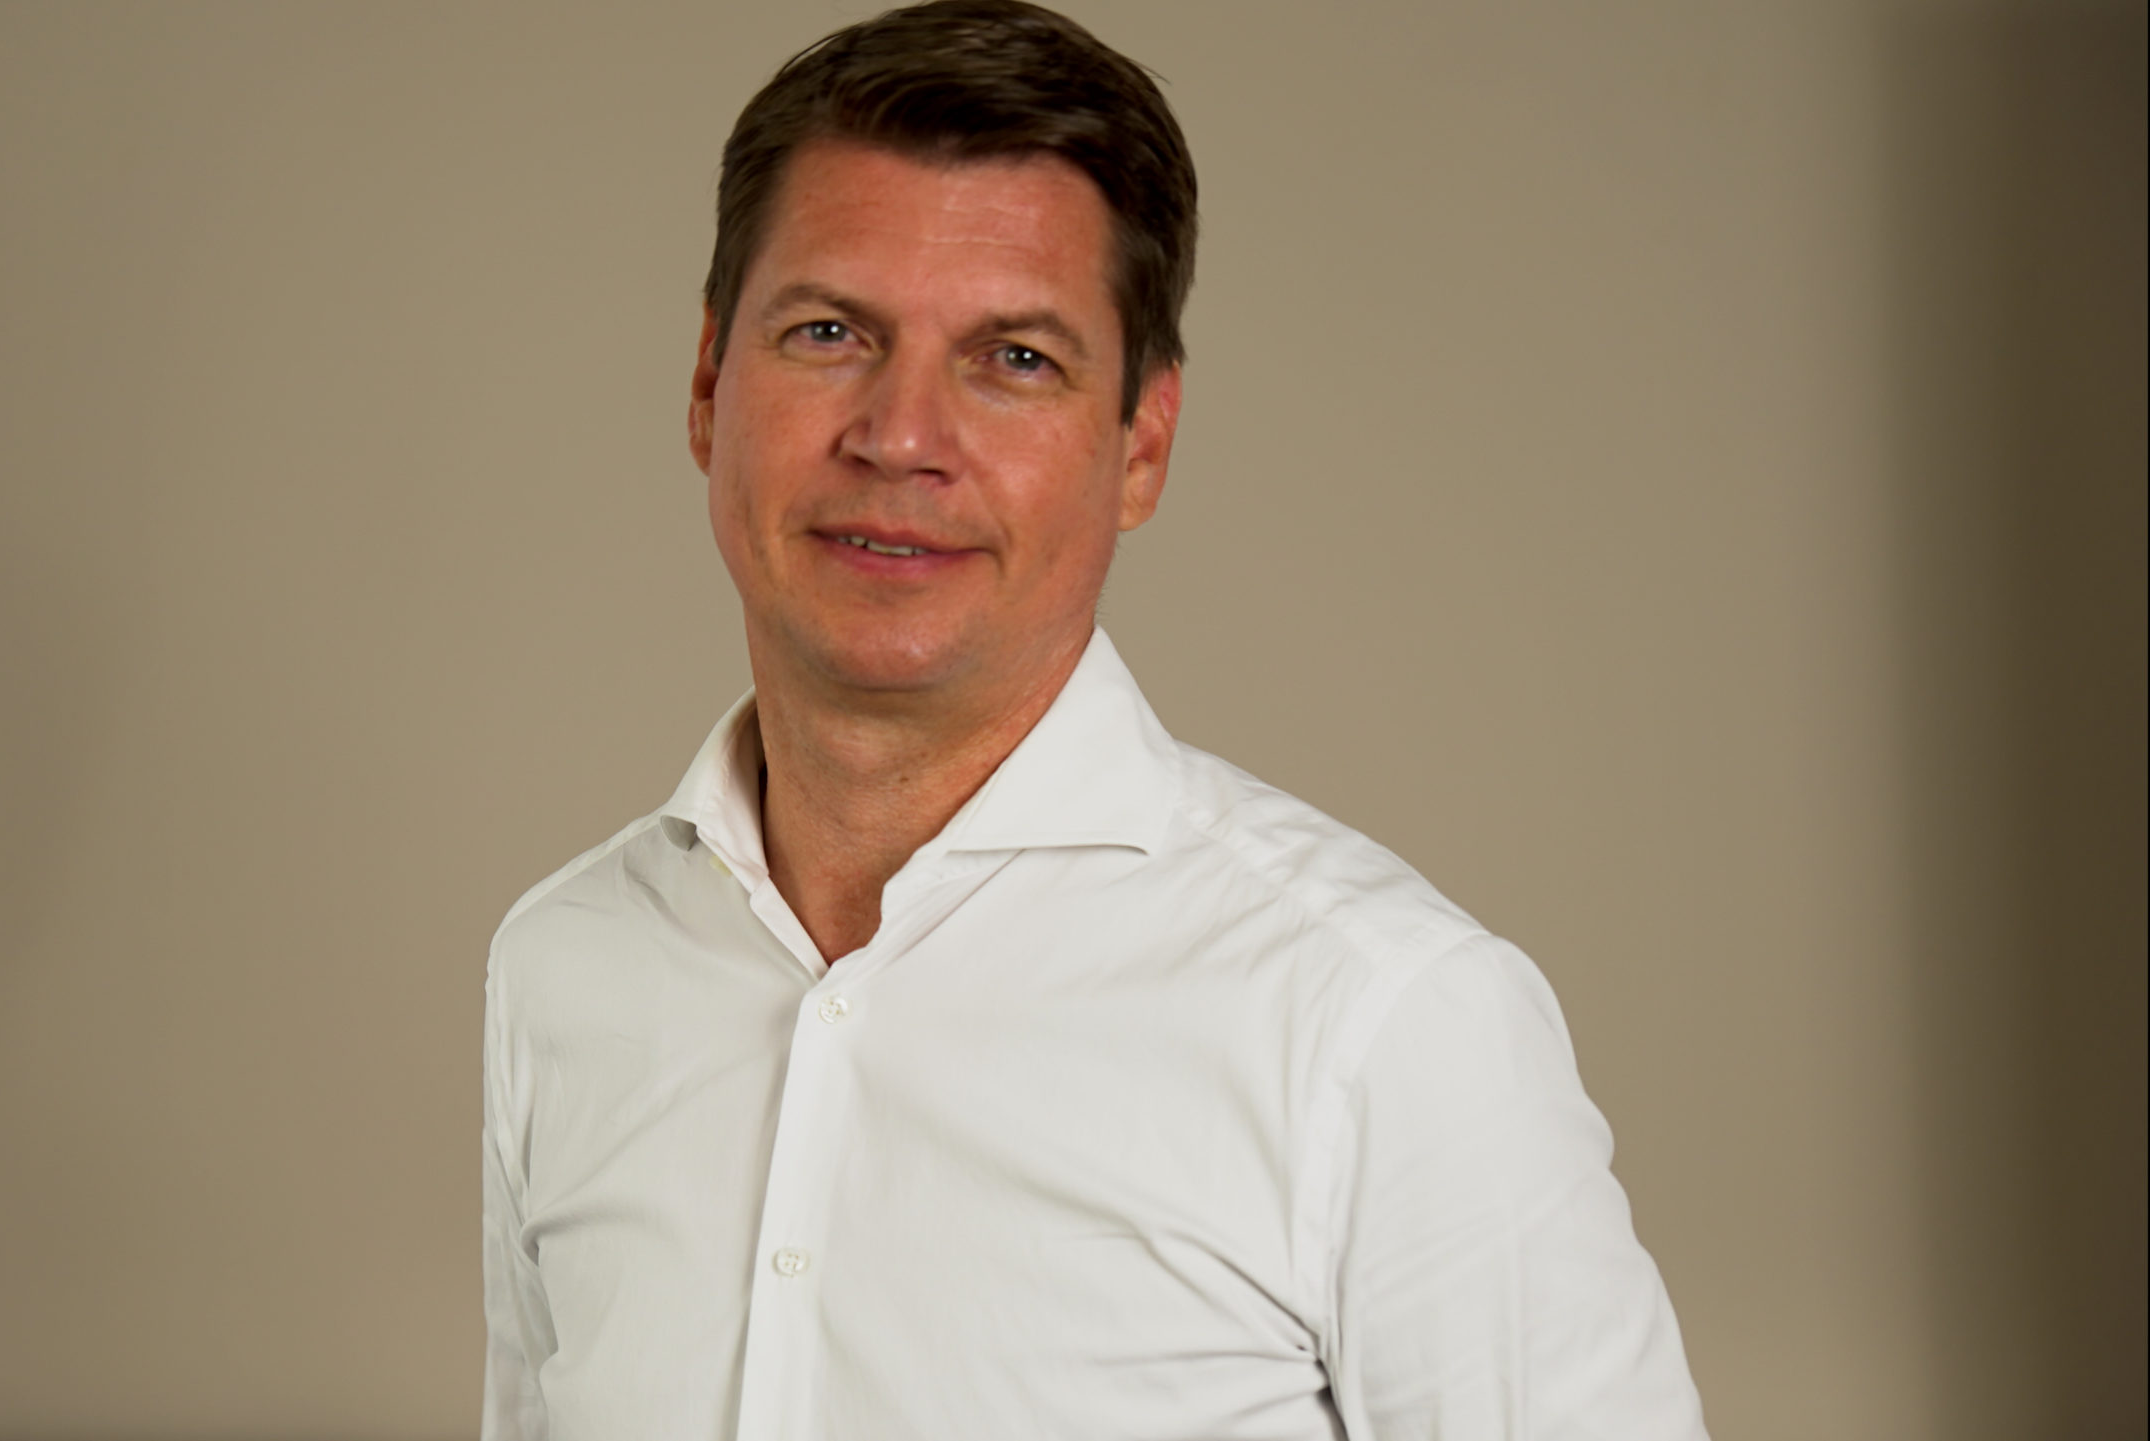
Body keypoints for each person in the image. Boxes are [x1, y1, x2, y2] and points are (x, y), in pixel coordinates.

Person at [480, 2, 1706, 1436]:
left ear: (1142, 443)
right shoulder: (566, 968)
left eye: (1015, 359)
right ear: (708, 387)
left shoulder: (1382, 1023)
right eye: (828, 332)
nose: (900, 436)